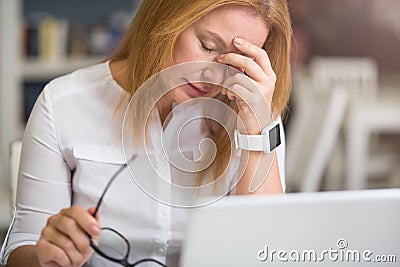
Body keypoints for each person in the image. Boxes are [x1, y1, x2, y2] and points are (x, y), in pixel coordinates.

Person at [1, 0, 292, 266]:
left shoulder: (253, 111)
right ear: (164, 19)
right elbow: (21, 251)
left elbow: (268, 254)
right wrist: (48, 255)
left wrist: (257, 134)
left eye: (235, 62)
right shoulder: (63, 103)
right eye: (206, 45)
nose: (214, 75)